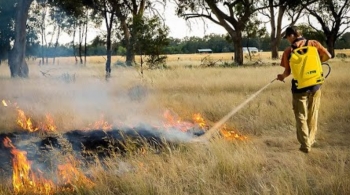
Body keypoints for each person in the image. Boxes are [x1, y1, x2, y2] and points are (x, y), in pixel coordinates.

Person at [277, 26, 332, 153]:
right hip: (315, 85)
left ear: (292, 35)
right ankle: (311, 140)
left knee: (300, 115)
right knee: (313, 114)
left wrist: (281, 77)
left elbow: (287, 71)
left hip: (299, 88)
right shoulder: (314, 44)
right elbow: (328, 55)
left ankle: (305, 144)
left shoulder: (289, 51)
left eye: (287, 37)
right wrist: (317, 62)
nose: (288, 40)